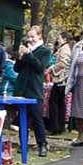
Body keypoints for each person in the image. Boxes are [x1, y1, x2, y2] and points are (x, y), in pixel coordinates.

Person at [14, 25, 52, 157]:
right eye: (28, 36)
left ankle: (42, 144)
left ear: (39, 36)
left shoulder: (44, 51)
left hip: (35, 89)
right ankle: (23, 143)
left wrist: (29, 54)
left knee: (37, 118)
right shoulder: (25, 50)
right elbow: (17, 69)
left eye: (33, 36)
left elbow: (40, 68)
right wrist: (19, 57)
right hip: (22, 88)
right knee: (22, 118)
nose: (30, 39)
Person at [46, 32, 73, 134]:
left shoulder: (64, 49)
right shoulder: (64, 48)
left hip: (61, 80)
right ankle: (60, 126)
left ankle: (55, 127)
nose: (58, 40)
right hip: (62, 80)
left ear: (65, 39)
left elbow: (63, 63)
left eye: (60, 38)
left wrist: (51, 69)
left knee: (54, 103)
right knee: (60, 103)